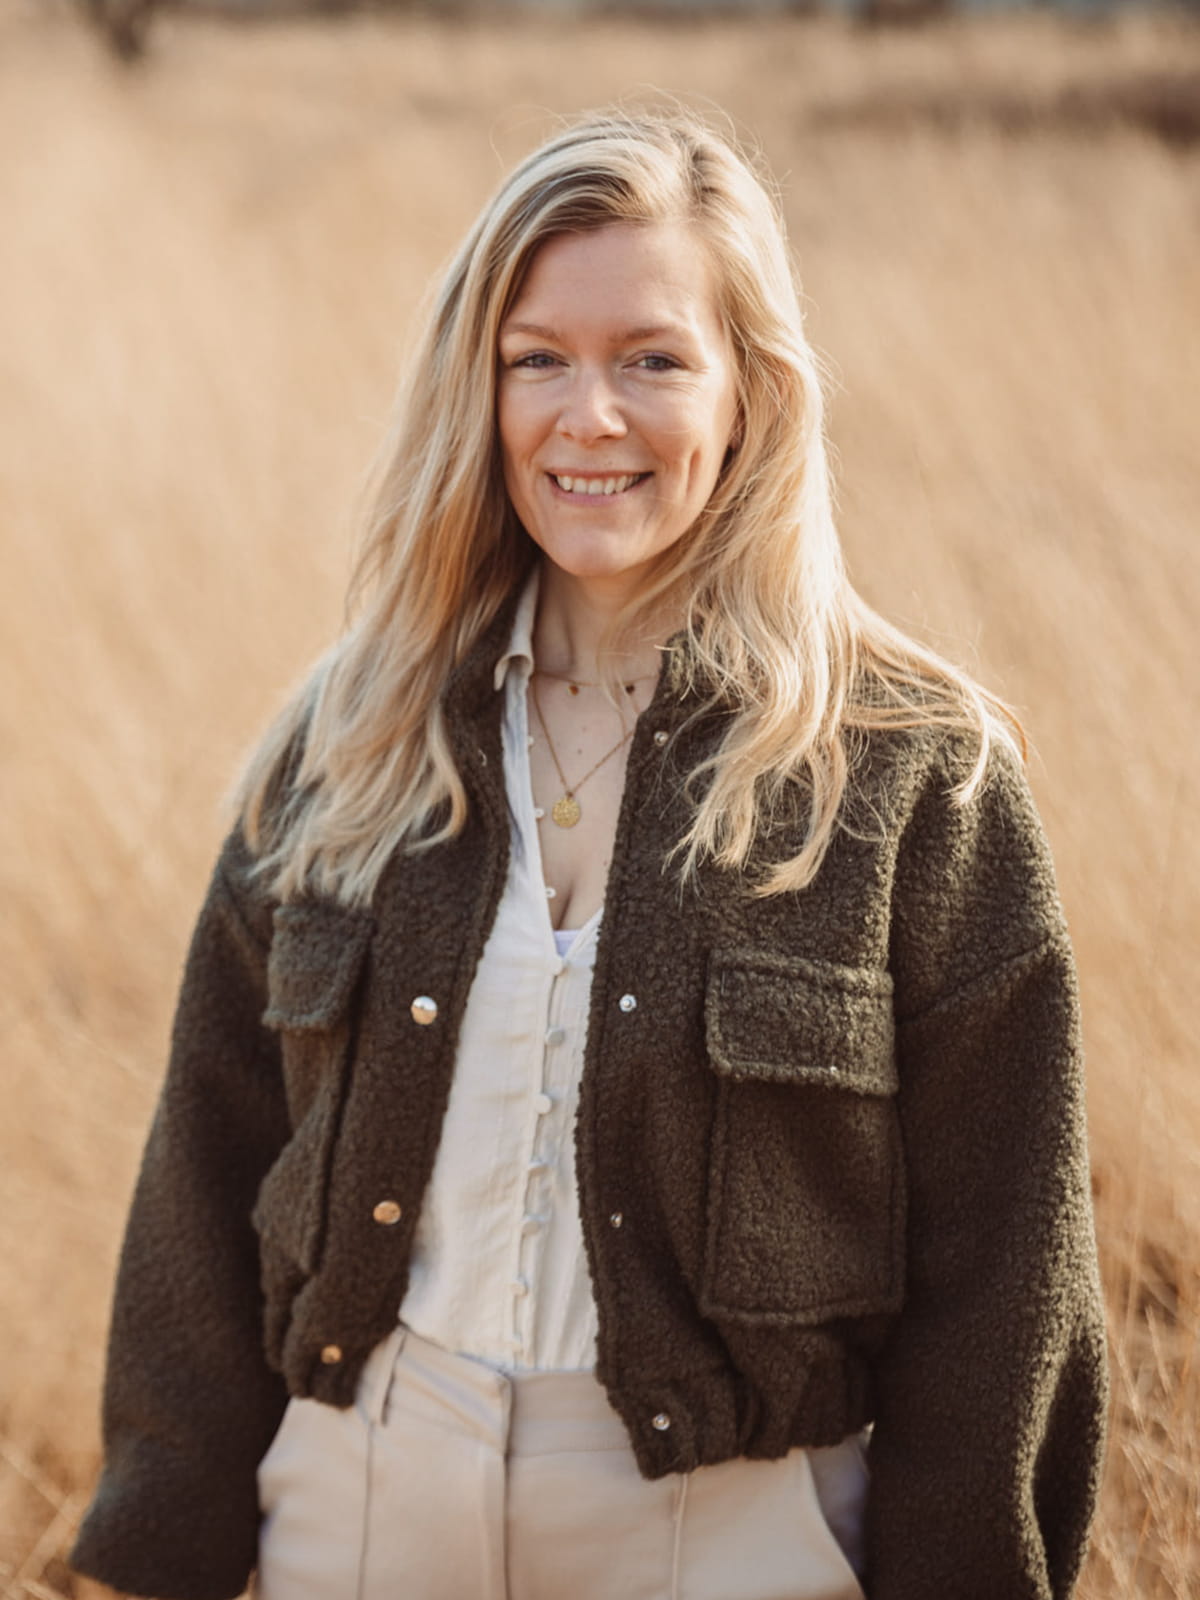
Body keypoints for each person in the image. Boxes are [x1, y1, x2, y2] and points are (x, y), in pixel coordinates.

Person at [69, 107, 1108, 1600]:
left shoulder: (913, 776)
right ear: (476, 389)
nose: (589, 416)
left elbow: (1011, 1268)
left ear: (751, 391)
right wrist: (156, 1550)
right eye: (536, 358)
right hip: (361, 1510)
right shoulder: (350, 740)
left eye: (654, 359)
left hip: (726, 1534)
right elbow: (204, 1166)